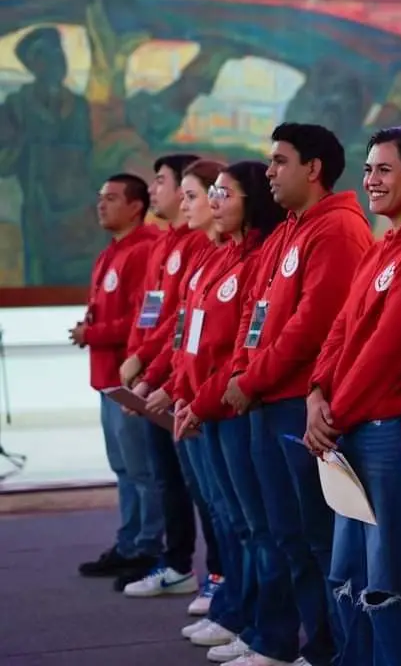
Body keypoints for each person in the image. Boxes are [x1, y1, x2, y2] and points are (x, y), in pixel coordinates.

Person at [306, 126, 401, 666]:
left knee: (391, 574)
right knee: (349, 572)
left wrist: (333, 415)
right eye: (368, 169)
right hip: (349, 428)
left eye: (385, 170)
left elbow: (389, 350)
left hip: (386, 433)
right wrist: (316, 394)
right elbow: (343, 329)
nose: (371, 180)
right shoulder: (385, 244)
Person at [223, 122, 375, 666]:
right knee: (285, 534)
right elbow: (255, 314)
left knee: (317, 538)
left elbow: (312, 325)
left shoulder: (335, 230)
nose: (269, 171)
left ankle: (331, 648)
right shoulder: (290, 229)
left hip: (298, 402)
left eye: (280, 161)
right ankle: (299, 641)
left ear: (313, 169)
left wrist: (252, 378)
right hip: (268, 397)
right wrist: (243, 373)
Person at [171, 161, 295, 666]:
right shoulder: (219, 257)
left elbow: (245, 347)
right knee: (232, 520)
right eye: (213, 193)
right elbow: (192, 335)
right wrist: (184, 390)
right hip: (205, 402)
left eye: (225, 193)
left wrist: (204, 397)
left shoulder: (258, 258)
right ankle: (238, 614)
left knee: (260, 527)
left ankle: (270, 632)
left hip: (238, 404)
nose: (215, 202)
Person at [117, 153, 213, 595]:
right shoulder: (166, 242)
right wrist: (141, 362)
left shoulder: (199, 244)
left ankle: (215, 576)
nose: (154, 190)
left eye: (161, 182)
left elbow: (183, 321)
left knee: (206, 492)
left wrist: (156, 374)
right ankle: (177, 565)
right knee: (164, 477)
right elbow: (155, 314)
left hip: (185, 383)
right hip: (162, 376)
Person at [137, 159, 228, 613]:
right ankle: (219, 589)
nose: (195, 203)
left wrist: (173, 385)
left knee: (230, 511)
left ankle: (222, 584)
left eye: (195, 194)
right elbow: (178, 327)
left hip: (213, 399)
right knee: (172, 482)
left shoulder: (208, 249)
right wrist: (159, 376)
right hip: (181, 389)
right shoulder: (187, 248)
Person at [74, 173, 160, 583]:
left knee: (142, 470)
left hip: (131, 380)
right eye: (100, 197)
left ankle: (147, 547)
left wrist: (90, 333)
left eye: (111, 198)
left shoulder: (143, 250)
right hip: (106, 379)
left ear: (136, 206)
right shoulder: (111, 252)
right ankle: (129, 543)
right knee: (124, 468)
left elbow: (143, 320)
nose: (101, 204)